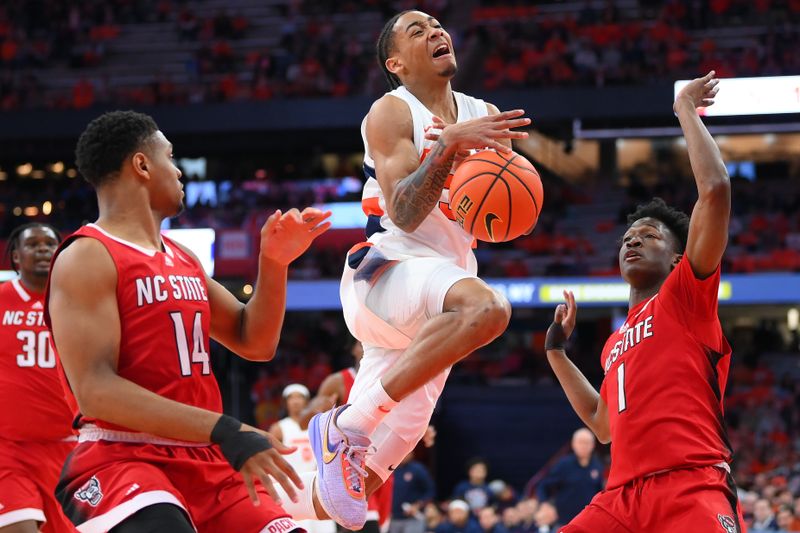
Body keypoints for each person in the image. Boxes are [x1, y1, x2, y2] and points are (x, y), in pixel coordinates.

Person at [289, 10, 530, 530]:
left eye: (438, 25)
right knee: (489, 308)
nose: (436, 31)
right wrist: (447, 148)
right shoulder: (391, 112)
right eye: (417, 30)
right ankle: (345, 424)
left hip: (437, 294)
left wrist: (507, 195)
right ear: (394, 62)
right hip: (388, 271)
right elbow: (402, 211)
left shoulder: (481, 111)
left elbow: (494, 218)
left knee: (349, 493)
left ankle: (249, 509)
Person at [45, 110, 331, 532]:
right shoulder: (87, 256)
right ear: (142, 165)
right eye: (171, 157)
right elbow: (95, 392)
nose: (179, 172)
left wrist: (273, 263)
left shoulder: (183, 259)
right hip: (124, 458)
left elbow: (254, 341)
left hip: (204, 459)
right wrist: (225, 428)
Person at [544, 72, 743, 532]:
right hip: (619, 499)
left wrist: (685, 110)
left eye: (649, 235)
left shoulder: (685, 297)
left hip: (690, 487)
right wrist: (557, 353)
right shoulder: (614, 342)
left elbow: (714, 192)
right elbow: (602, 424)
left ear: (677, 258)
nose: (632, 241)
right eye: (628, 237)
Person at [0, 223, 76, 533]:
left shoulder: (77, 301)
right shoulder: (2, 298)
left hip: (70, 449)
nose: (44, 249)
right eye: (33, 244)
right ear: (16, 257)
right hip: (9, 448)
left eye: (50, 243)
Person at [302, 340, 394, 533]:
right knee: (359, 518)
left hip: (381, 455)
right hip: (349, 462)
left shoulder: (392, 376)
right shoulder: (337, 381)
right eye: (362, 342)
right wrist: (318, 409)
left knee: (382, 521)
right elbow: (305, 420)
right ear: (353, 348)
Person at [270, 384, 337, 533]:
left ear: (307, 401)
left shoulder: (319, 423)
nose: (295, 401)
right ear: (285, 402)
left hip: (318, 486)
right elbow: (270, 458)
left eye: (299, 397)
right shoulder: (279, 427)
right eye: (291, 398)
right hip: (293, 488)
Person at [535, 428, 603, 523]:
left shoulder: (597, 466)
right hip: (565, 522)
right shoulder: (564, 464)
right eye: (580, 442)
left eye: (587, 442)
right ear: (573, 444)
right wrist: (545, 504)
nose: (584, 446)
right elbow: (543, 485)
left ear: (593, 445)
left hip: (588, 522)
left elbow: (600, 492)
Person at [390, 452, 435, 533]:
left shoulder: (418, 469)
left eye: (406, 453)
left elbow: (430, 490)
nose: (403, 455)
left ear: (411, 454)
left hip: (413, 518)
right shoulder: (391, 469)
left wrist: (418, 505)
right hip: (394, 518)